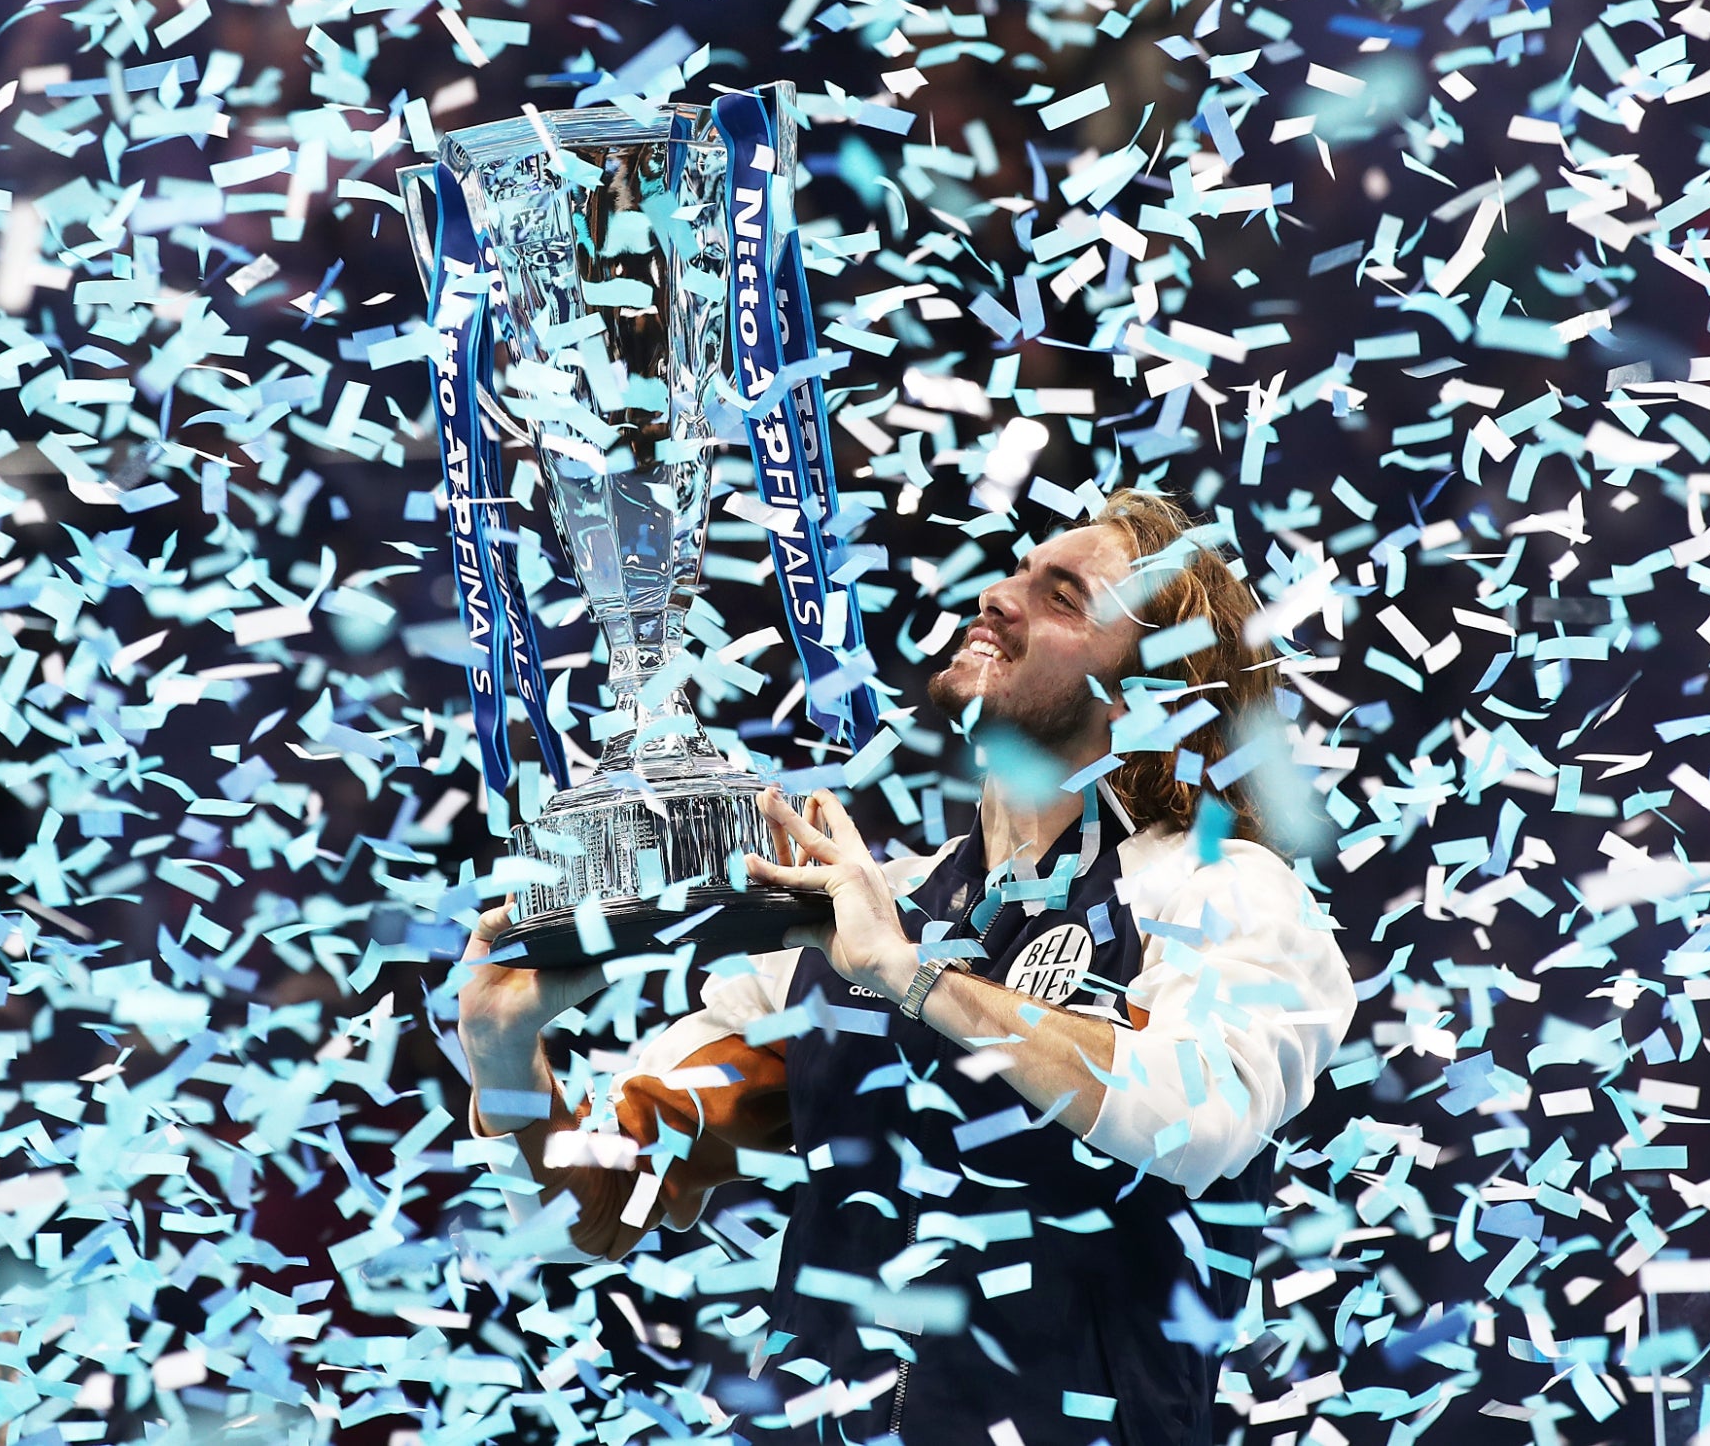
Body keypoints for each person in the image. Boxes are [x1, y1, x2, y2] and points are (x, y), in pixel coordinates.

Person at [455, 488, 1357, 1446]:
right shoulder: (861, 916)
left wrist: (915, 978)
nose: (999, 597)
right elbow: (608, 1196)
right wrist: (506, 1056)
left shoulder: (1225, 893)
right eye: (1014, 571)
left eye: (1063, 599)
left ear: (1153, 698)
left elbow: (1198, 1120)